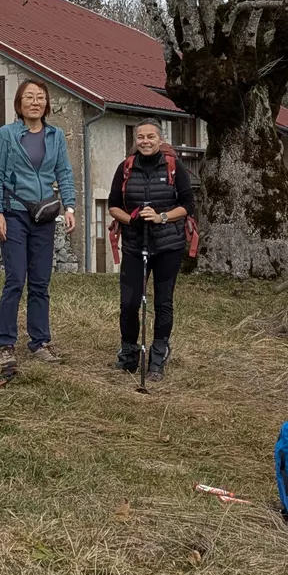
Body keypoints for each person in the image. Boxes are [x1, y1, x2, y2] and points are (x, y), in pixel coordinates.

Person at [0, 79, 77, 385]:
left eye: (40, 97)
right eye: (29, 97)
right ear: (19, 103)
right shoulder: (7, 134)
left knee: (40, 281)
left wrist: (70, 206)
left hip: (44, 215)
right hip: (14, 213)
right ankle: (5, 344)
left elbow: (64, 172)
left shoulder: (56, 135)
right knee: (15, 279)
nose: (35, 102)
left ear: (47, 103)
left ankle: (40, 342)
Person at [106, 118, 198, 382]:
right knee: (129, 303)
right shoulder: (125, 168)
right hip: (135, 245)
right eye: (140, 137)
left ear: (160, 139)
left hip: (168, 245)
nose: (145, 141)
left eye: (150, 137)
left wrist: (161, 217)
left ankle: (158, 357)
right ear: (135, 140)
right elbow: (113, 205)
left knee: (162, 302)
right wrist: (131, 219)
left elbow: (188, 205)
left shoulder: (174, 167)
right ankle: (128, 354)